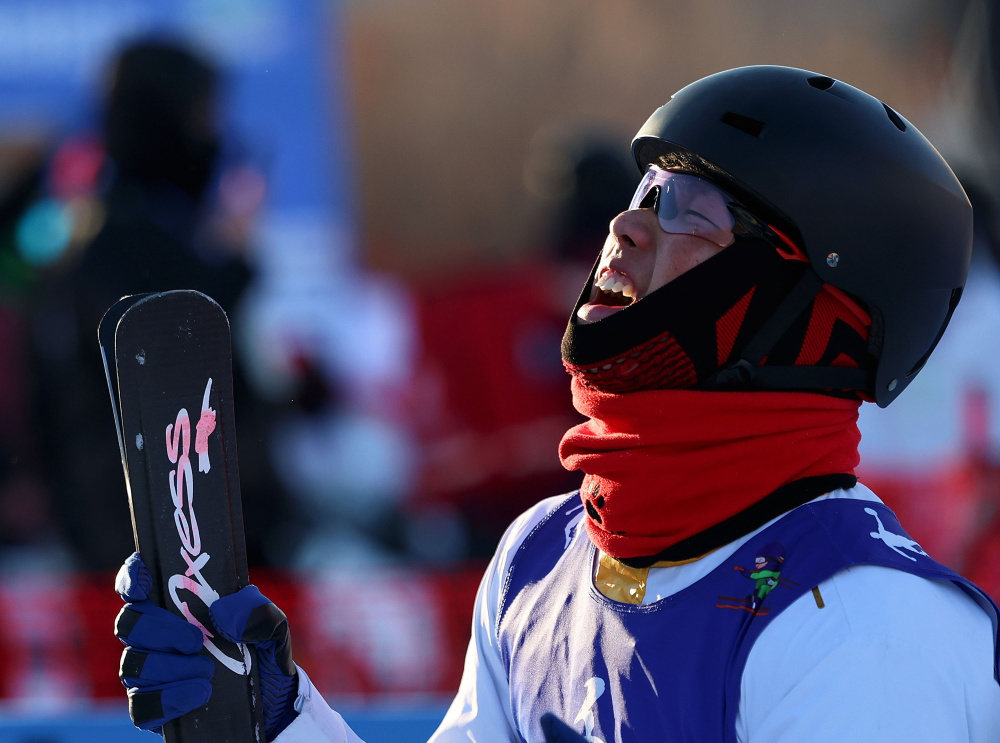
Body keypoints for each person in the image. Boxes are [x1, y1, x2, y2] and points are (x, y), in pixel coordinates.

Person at [113, 66, 1000, 742]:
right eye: (644, 192)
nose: (627, 227)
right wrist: (278, 714)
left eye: (691, 210)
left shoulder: (864, 626)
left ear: (806, 314)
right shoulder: (543, 556)